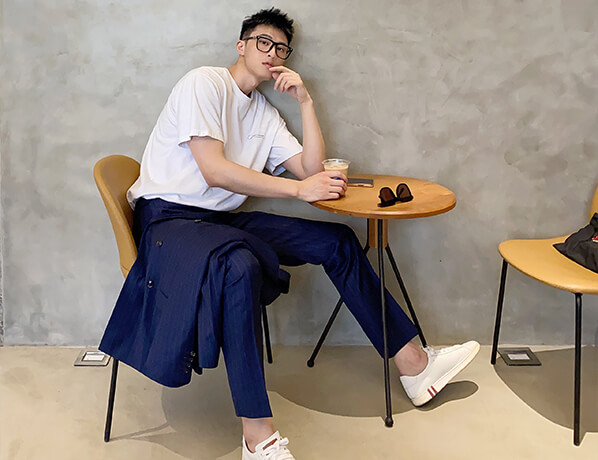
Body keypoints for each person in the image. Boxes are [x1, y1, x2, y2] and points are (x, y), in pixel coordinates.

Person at [99, 8, 480, 460]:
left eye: (281, 48)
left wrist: (306, 102)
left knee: (336, 241)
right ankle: (258, 438)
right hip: (169, 223)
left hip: (218, 223)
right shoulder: (204, 83)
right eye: (263, 42)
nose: (272, 53)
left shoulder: (263, 113)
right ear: (241, 45)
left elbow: (311, 170)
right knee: (238, 267)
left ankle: (413, 365)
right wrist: (299, 190)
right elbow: (214, 171)